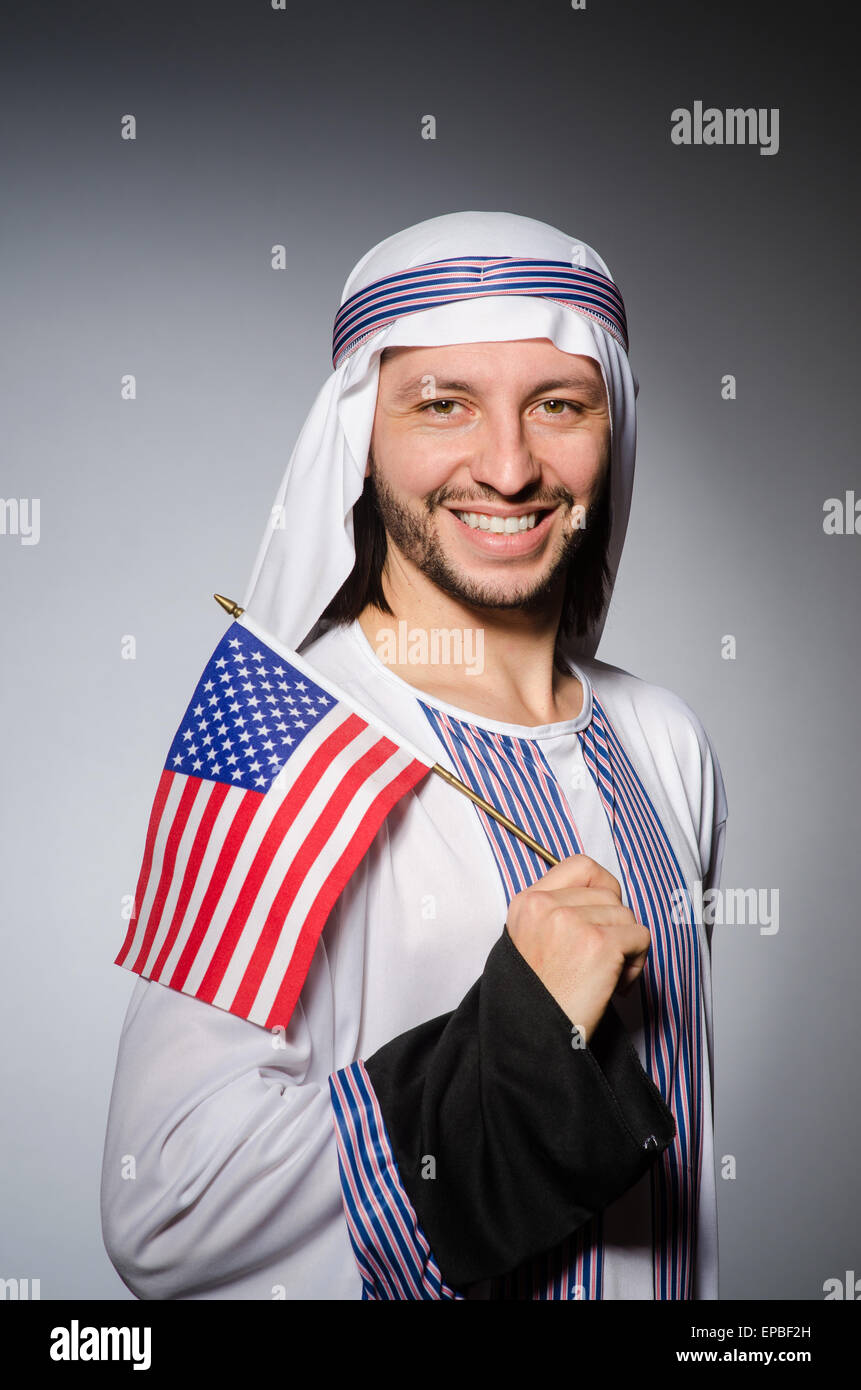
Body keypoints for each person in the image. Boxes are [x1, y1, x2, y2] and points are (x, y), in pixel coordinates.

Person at [101, 210, 727, 1300]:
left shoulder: (665, 742)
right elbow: (168, 1204)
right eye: (443, 403)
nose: (509, 465)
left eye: (559, 406)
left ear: (609, 425)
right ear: (360, 434)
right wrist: (521, 1035)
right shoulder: (279, 729)